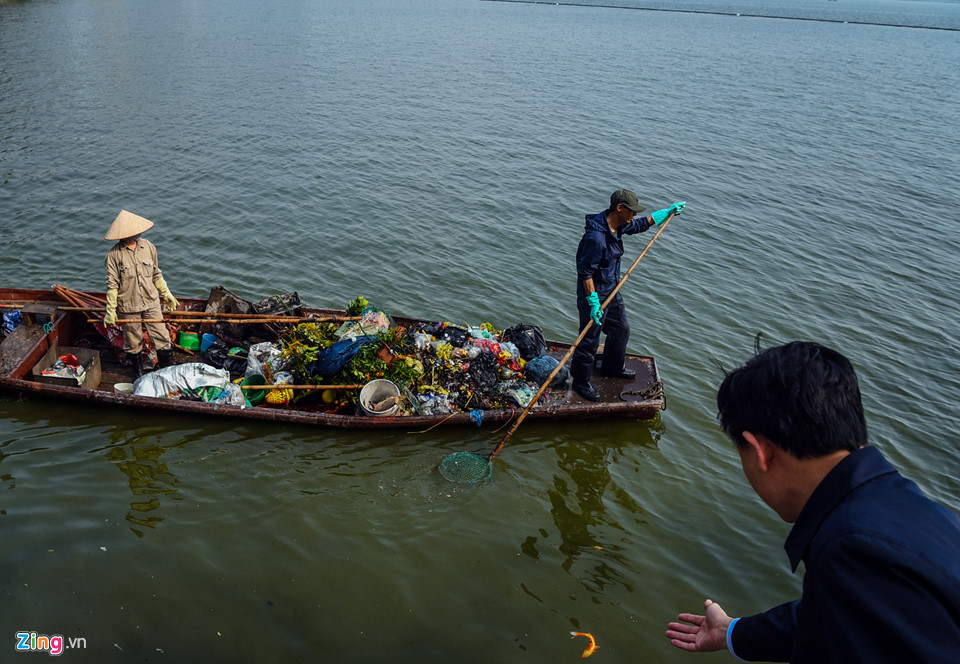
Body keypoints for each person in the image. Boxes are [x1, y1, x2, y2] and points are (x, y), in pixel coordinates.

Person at [665, 340, 960, 663]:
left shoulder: (852, 548)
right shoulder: (910, 511)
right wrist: (731, 633)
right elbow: (837, 616)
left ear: (761, 452)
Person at [571, 189, 684, 401]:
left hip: (612, 290)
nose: (634, 215)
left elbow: (640, 224)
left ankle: (612, 367)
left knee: (621, 329)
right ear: (619, 208)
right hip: (594, 294)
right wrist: (594, 303)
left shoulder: (618, 225)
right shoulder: (595, 238)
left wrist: (666, 213)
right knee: (590, 339)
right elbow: (585, 273)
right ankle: (580, 382)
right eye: (631, 211)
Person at [103, 209, 180, 378]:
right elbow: (112, 285)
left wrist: (166, 293)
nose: (139, 233)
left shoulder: (149, 247)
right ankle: (138, 374)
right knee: (133, 341)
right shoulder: (114, 255)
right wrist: (111, 310)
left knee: (162, 336)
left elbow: (156, 274)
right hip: (128, 305)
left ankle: (169, 372)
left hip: (151, 301)